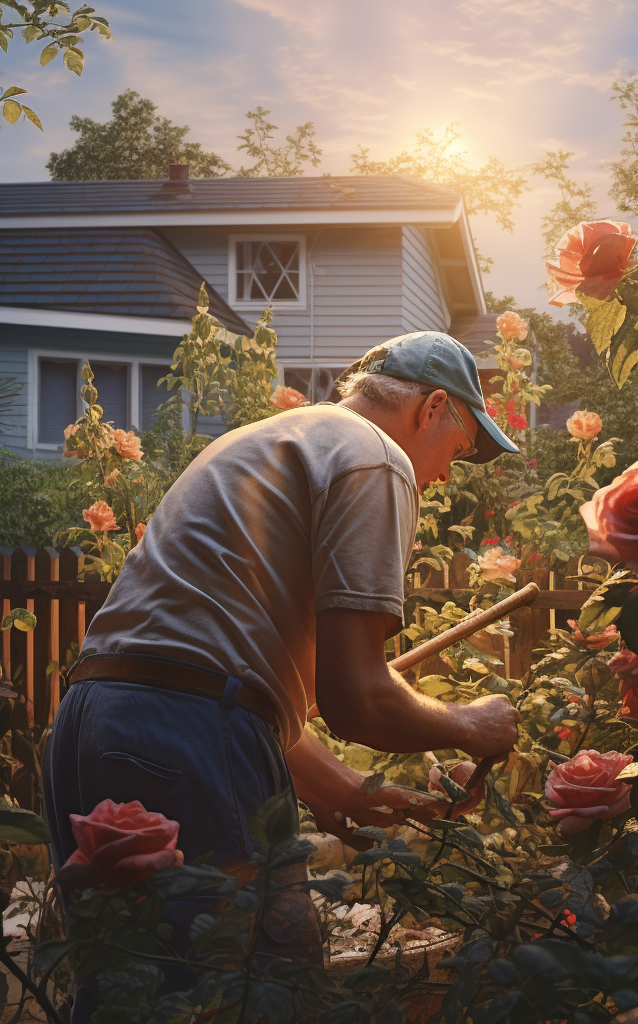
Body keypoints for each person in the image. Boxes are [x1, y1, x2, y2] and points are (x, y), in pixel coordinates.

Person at [43, 331, 522, 979]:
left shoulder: (270, 439)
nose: (440, 476)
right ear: (431, 407)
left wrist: (347, 790)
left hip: (93, 720)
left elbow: (219, 680)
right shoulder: (376, 458)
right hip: (190, 732)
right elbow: (357, 702)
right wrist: (474, 725)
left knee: (128, 981)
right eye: (457, 451)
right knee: (252, 985)